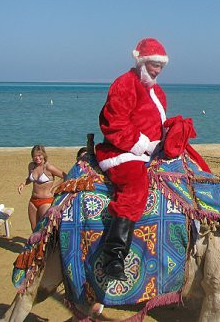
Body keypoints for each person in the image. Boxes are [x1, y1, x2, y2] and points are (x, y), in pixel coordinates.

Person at [95, 37, 168, 281]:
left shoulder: (157, 92)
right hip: (121, 151)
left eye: (161, 66)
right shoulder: (124, 85)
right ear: (142, 61)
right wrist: (144, 145)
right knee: (135, 185)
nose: (158, 70)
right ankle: (114, 256)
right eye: (155, 64)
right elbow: (115, 123)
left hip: (150, 151)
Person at [17, 145, 66, 230]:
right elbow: (30, 178)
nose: (37, 158)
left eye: (39, 155)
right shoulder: (31, 166)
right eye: (35, 156)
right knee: (34, 227)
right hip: (33, 201)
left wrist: (54, 186)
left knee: (43, 228)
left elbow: (65, 176)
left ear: (44, 155)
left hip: (46, 201)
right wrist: (23, 183)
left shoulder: (48, 167)